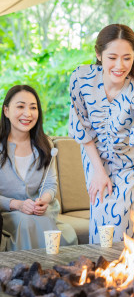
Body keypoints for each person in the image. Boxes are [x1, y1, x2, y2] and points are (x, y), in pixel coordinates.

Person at [69, 24, 134, 244]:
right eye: (112, 57)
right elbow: (82, 129)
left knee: (131, 214)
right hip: (95, 159)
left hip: (130, 162)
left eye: (127, 58)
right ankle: (100, 270)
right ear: (99, 55)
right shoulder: (81, 79)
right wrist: (98, 172)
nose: (120, 65)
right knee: (103, 221)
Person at [0, 85, 77, 251]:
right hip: (7, 213)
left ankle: (51, 275)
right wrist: (17, 204)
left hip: (40, 212)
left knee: (55, 227)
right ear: (6, 111)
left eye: (33, 107)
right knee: (27, 222)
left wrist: (44, 200)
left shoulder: (45, 145)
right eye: (20, 106)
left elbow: (50, 184)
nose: (27, 113)